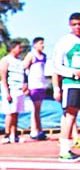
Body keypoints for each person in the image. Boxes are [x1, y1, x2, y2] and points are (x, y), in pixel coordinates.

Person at [52, 12, 80, 161]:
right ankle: (65, 150)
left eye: (79, 24)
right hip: (72, 84)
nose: (77, 27)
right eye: (74, 24)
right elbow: (56, 65)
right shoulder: (65, 41)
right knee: (70, 115)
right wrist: (73, 73)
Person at [0, 40, 28, 144]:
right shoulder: (5, 60)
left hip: (19, 90)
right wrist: (7, 92)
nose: (20, 50)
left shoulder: (20, 61)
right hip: (11, 89)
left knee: (16, 113)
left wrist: (25, 84)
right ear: (12, 48)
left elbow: (24, 74)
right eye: (18, 48)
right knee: (9, 113)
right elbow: (3, 76)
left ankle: (14, 135)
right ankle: (6, 135)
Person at [22, 36, 49, 140]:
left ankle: (39, 130)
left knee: (38, 108)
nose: (43, 45)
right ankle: (34, 131)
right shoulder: (31, 55)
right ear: (35, 45)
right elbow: (24, 68)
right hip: (33, 85)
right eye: (40, 43)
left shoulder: (44, 56)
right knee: (35, 108)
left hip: (42, 84)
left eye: (43, 43)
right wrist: (25, 84)